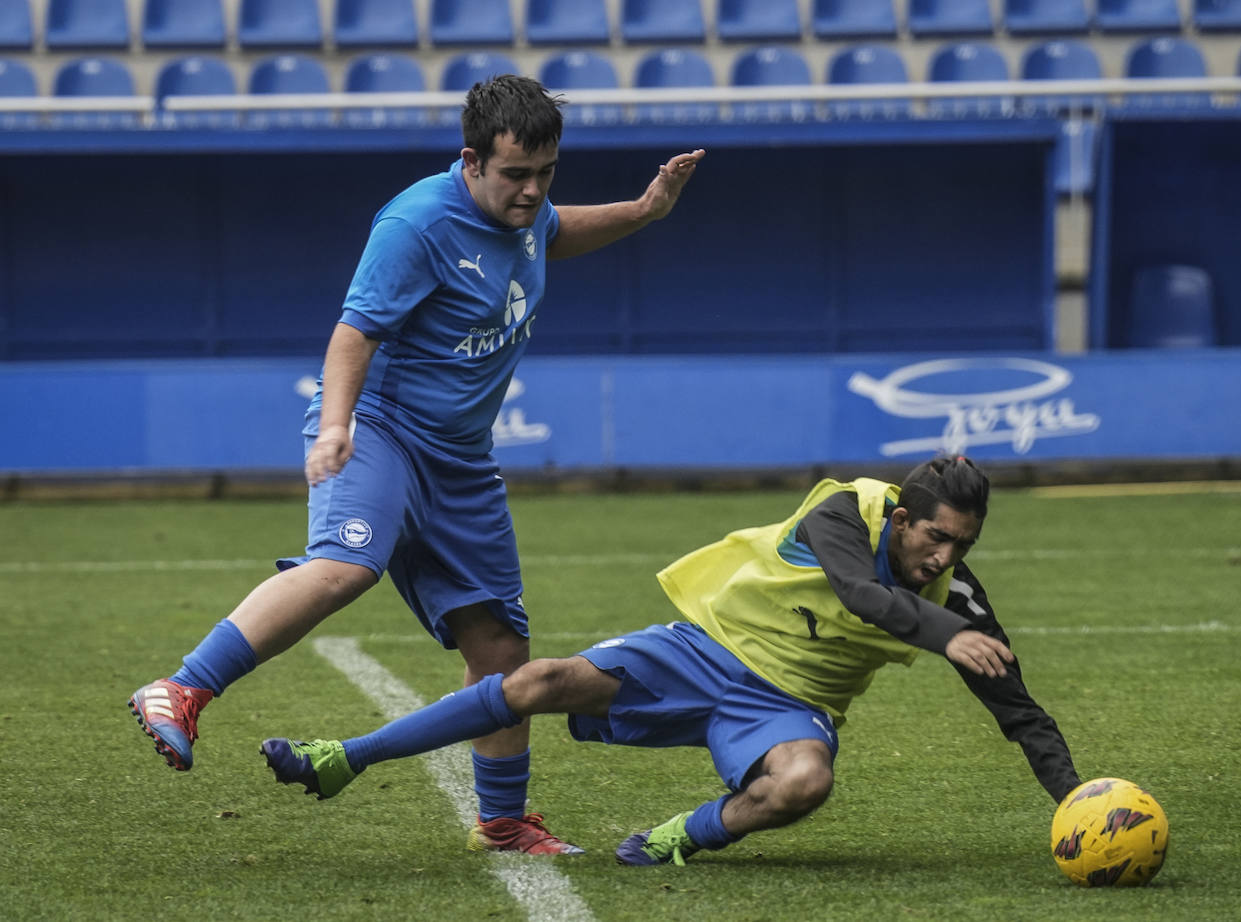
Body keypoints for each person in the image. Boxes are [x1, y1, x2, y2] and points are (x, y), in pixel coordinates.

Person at [128, 74, 706, 856]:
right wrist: (335, 428)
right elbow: (352, 335)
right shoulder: (416, 222)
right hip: (383, 431)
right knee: (345, 566)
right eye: (515, 175)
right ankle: (184, 687)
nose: (532, 191)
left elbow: (557, 232)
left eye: (546, 174)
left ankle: (502, 822)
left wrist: (644, 211)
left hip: (462, 460)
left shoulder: (527, 213)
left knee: (500, 651)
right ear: (471, 160)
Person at [259, 456, 1082, 865]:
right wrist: (944, 638)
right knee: (539, 680)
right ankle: (345, 760)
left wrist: (1078, 800)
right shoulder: (845, 509)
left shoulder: (955, 600)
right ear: (902, 518)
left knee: (804, 783)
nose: (944, 557)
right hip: (700, 651)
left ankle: (674, 839)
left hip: (786, 710)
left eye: (961, 546)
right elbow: (861, 595)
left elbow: (1019, 710)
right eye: (935, 536)